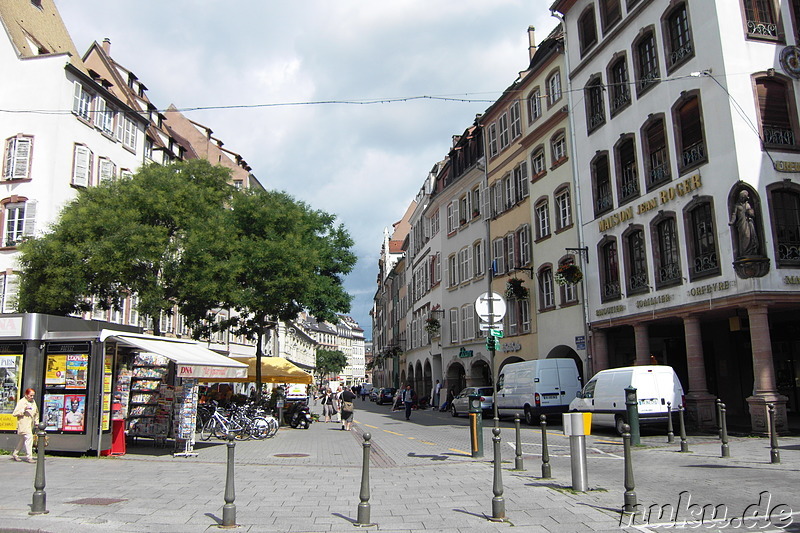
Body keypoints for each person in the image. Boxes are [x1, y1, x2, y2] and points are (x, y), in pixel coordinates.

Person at [729, 189, 759, 257]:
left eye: (744, 197)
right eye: (742, 197)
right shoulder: (737, 205)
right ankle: (744, 252)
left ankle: (750, 251)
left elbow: (752, 214)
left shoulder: (747, 205)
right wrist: (732, 222)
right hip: (741, 223)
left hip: (748, 222)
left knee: (749, 236)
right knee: (745, 236)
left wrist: (750, 213)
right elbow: (734, 214)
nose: (742, 198)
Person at [11, 388, 38, 463]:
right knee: (29, 438)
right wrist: (23, 409)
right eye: (30, 395)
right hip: (23, 424)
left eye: (33, 396)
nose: (32, 397)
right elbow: (14, 413)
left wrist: (36, 422)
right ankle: (29, 457)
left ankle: (15, 454)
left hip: (30, 424)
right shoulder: (22, 402)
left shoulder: (33, 402)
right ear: (26, 395)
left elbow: (36, 412)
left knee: (22, 440)